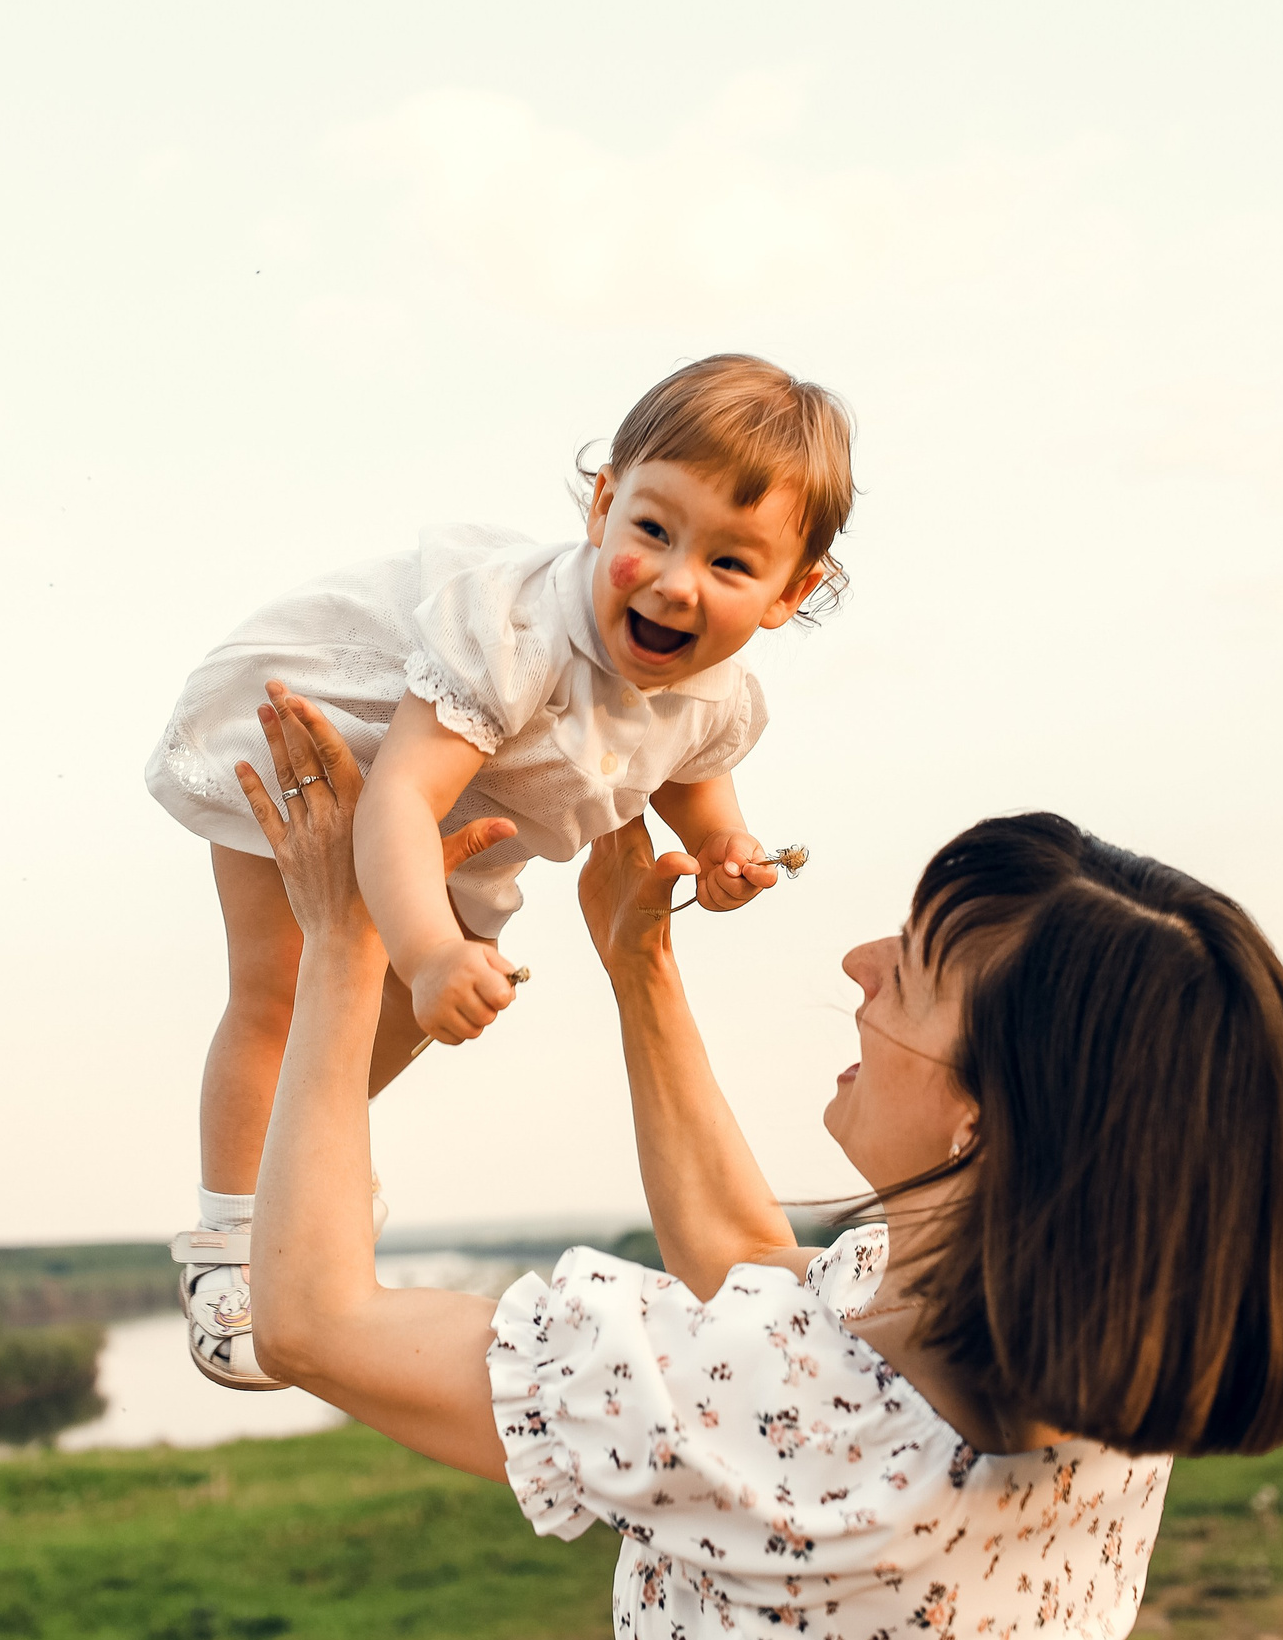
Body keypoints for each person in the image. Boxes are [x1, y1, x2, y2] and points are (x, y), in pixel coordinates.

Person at [233, 692, 1283, 1640]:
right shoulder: (1094, 1351)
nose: (859, 965)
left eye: (913, 968)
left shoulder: (795, 1413)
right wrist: (642, 972)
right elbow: (751, 1271)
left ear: (988, 1119)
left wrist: (347, 940)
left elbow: (314, 1324)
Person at [146, 354, 857, 1387]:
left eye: (730, 563)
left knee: (403, 1016)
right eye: (653, 531)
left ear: (791, 591)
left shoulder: (715, 689)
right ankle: (230, 1238)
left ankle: (301, 1168)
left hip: (469, 803)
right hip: (337, 738)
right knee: (283, 996)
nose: (675, 580)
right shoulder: (517, 633)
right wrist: (430, 948)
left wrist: (723, 848)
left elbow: (694, 771)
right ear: (603, 506)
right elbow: (398, 796)